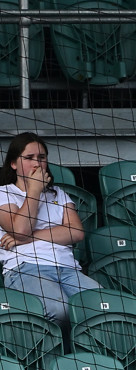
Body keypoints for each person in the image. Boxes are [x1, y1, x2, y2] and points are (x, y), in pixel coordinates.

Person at [0, 132, 101, 330]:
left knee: (104, 308)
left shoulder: (59, 194)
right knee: (59, 309)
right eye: (29, 158)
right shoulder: (3, 192)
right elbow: (20, 229)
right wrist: (35, 190)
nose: (37, 163)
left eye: (42, 158)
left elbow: (76, 233)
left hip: (68, 269)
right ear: (13, 163)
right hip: (25, 268)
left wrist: (28, 238)